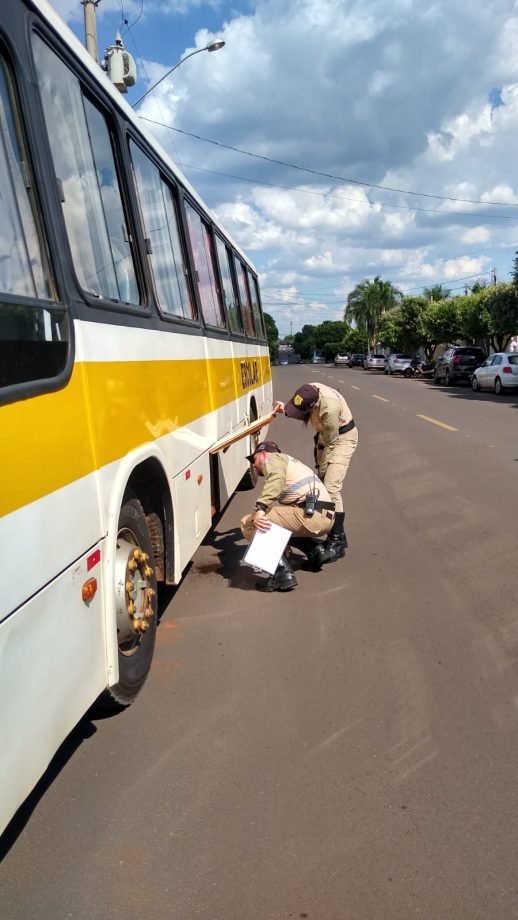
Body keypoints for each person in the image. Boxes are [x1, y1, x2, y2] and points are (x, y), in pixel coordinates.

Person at [273, 382, 358, 562]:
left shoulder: (330, 409)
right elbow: (300, 406)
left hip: (341, 439)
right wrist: (286, 409)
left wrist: (323, 472)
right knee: (324, 484)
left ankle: (336, 541)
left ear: (314, 406)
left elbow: (331, 443)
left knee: (330, 486)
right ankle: (340, 536)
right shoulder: (309, 389)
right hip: (324, 438)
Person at [240, 441, 335, 592]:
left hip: (313, 515)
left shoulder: (273, 460)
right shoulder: (291, 463)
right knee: (275, 522)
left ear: (263, 453)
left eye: (254, 459)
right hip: (325, 517)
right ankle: (315, 551)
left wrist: (260, 509)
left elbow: (275, 480)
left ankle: (281, 573)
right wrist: (279, 540)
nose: (254, 465)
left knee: (249, 523)